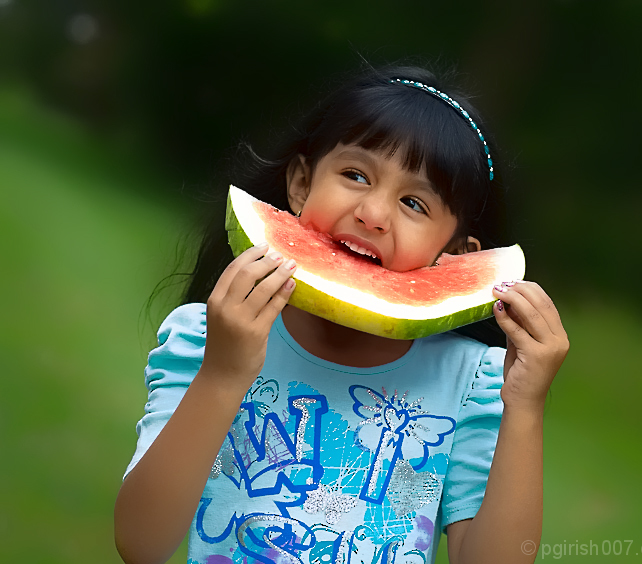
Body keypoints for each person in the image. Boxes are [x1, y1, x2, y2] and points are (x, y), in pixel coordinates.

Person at [114, 63, 569, 564]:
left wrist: (525, 408)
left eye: (414, 203)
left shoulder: (471, 382)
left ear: (457, 255)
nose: (373, 213)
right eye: (355, 175)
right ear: (301, 185)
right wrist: (223, 374)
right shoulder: (209, 337)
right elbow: (141, 544)